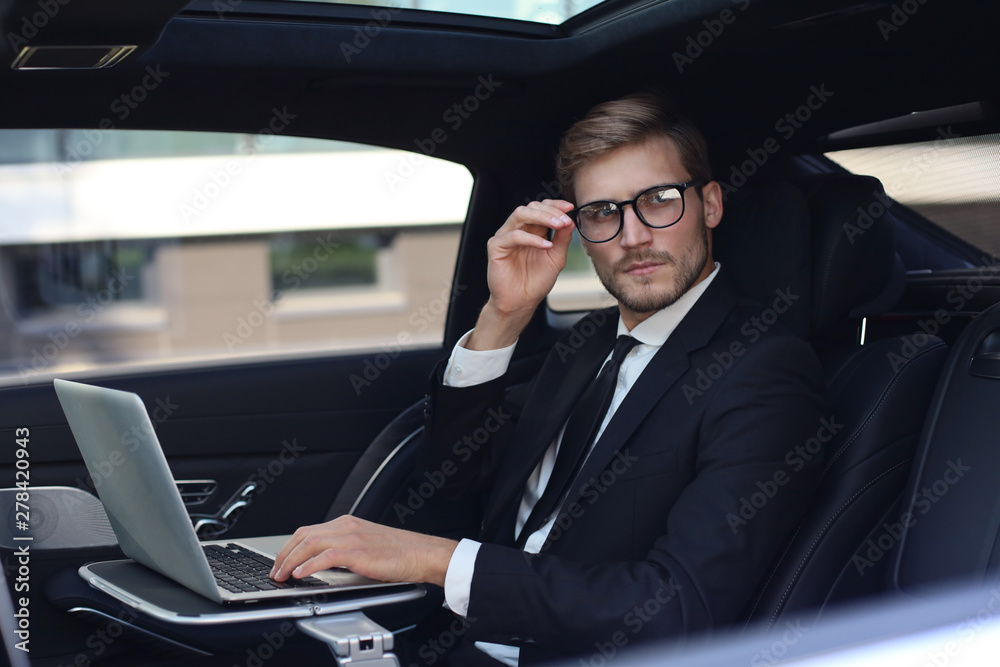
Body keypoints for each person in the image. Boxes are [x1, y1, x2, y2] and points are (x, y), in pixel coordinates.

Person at [271, 93, 828, 665]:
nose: (632, 236)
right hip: (450, 640)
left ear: (710, 204)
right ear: (580, 232)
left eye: (660, 201)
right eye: (603, 213)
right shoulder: (588, 344)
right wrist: (504, 316)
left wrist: (437, 560)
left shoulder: (764, 372)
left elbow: (677, 608)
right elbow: (447, 494)